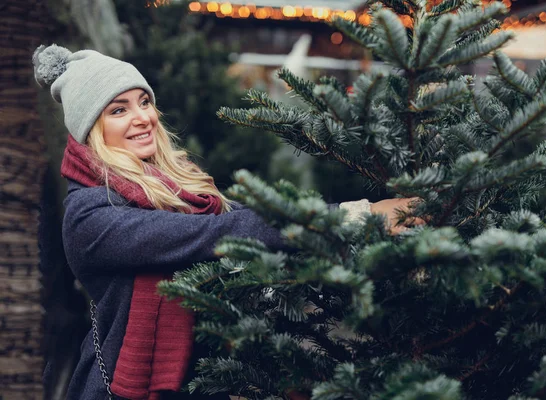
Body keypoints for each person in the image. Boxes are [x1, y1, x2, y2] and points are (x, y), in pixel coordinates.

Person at [33, 44, 422, 400]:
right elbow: (214, 235)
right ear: (91, 130)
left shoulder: (178, 189)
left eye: (144, 102)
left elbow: (256, 220)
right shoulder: (89, 216)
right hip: (123, 390)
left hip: (203, 385)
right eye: (119, 110)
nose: (143, 118)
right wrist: (356, 214)